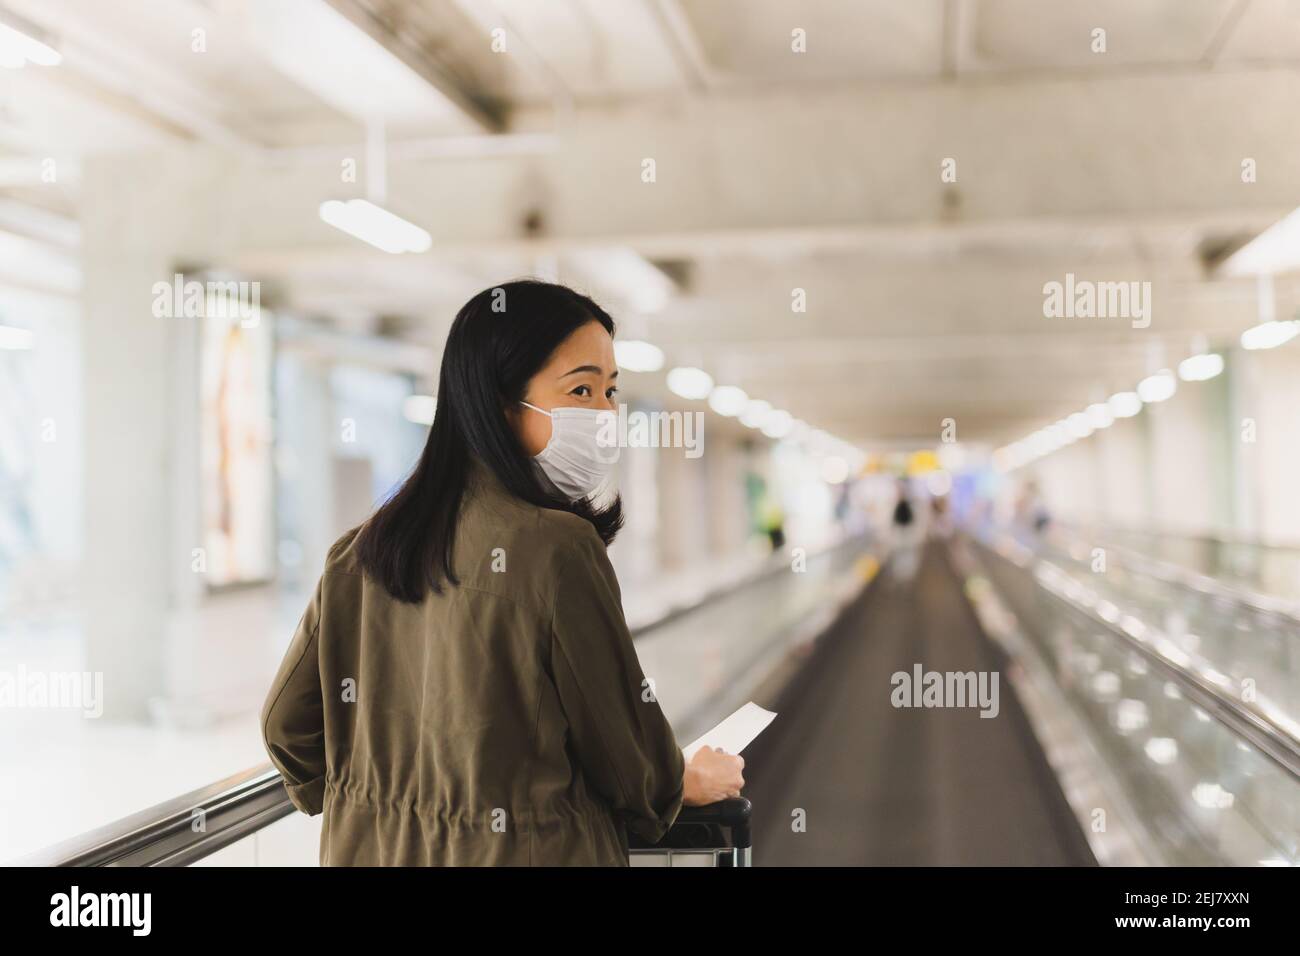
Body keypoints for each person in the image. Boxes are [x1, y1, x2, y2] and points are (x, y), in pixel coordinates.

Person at [261, 279, 745, 866]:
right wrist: (679, 783)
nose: (605, 415)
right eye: (582, 389)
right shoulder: (557, 549)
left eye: (611, 392)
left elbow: (286, 727)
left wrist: (364, 804)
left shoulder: (358, 552)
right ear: (500, 402)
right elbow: (629, 761)